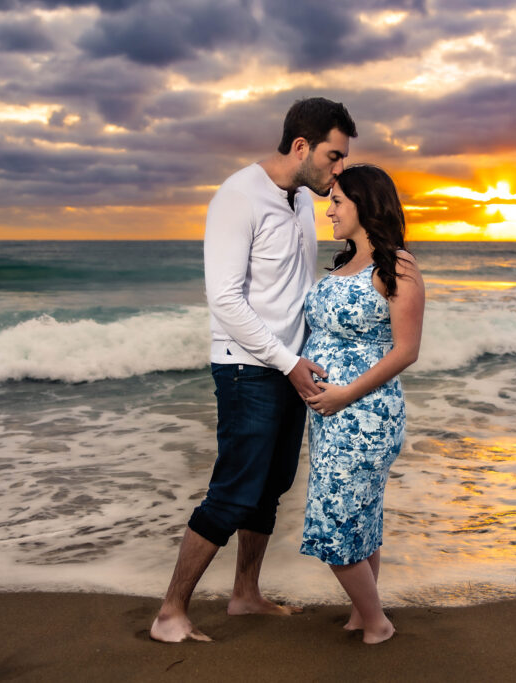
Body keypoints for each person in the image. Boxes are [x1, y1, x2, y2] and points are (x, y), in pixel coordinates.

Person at [150, 97, 358, 643]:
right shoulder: (238, 196)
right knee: (234, 491)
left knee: (271, 486)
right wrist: (288, 363)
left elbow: (294, 290)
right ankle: (170, 612)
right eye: (334, 156)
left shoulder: (301, 200)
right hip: (248, 369)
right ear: (301, 146)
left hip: (291, 368)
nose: (339, 169)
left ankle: (245, 594)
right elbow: (224, 299)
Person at [299, 164, 425, 644]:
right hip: (330, 417)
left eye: (337, 201)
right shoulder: (344, 264)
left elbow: (406, 350)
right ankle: (361, 613)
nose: (329, 211)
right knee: (361, 519)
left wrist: (345, 394)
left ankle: (378, 623)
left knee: (334, 522)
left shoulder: (397, 267)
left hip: (366, 416)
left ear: (364, 204)